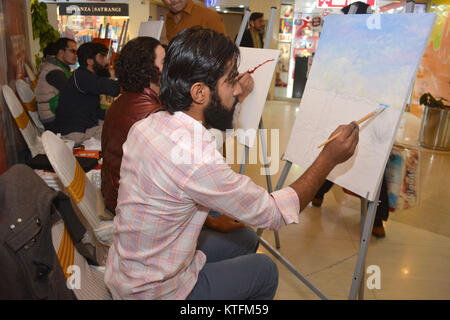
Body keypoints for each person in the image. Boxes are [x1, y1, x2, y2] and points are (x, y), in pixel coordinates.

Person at [104, 27, 359, 300]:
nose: (236, 88)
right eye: (230, 80)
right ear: (199, 92)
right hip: (153, 293)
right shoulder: (195, 158)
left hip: (128, 272)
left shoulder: (150, 124)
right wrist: (327, 159)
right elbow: (274, 213)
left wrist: (234, 97)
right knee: (265, 270)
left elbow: (201, 145)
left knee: (247, 239)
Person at [311, 1, 388, 239]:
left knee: (374, 160)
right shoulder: (335, 45)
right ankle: (319, 190)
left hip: (370, 110)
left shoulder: (378, 46)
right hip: (339, 105)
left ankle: (376, 217)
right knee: (336, 149)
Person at [101, 37, 166, 214]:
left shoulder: (121, 102)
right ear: (148, 71)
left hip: (115, 197)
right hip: (136, 209)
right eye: (164, 63)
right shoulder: (153, 116)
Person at [52, 42, 120, 145]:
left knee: (118, 125)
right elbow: (114, 88)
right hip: (75, 134)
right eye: (102, 57)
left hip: (83, 127)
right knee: (120, 134)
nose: (106, 61)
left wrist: (115, 114)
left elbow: (95, 111)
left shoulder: (82, 75)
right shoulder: (83, 77)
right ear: (90, 61)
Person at [35, 38, 77, 131]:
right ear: (61, 52)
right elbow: (74, 94)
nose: (75, 55)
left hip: (56, 117)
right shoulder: (54, 71)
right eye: (72, 51)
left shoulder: (58, 68)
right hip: (53, 122)